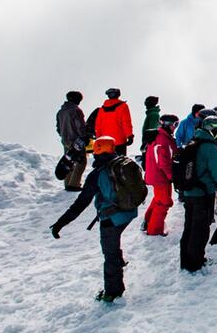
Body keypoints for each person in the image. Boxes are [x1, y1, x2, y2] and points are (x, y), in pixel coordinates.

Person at [50, 137, 139, 302]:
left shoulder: (97, 174)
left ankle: (113, 293)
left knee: (110, 254)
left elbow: (80, 204)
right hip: (129, 212)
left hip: (111, 218)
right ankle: (119, 262)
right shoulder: (124, 162)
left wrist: (60, 223)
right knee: (114, 242)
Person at [180, 115, 217, 272]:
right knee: (200, 229)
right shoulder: (210, 147)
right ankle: (195, 262)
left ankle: (185, 260)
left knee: (189, 227)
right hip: (203, 192)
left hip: (188, 191)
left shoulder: (193, 142)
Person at [143, 114, 178, 236]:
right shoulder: (163, 139)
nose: (175, 128)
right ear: (169, 125)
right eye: (175, 125)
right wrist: (171, 176)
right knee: (164, 202)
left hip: (154, 174)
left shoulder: (159, 135)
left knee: (158, 198)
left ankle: (147, 221)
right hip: (160, 176)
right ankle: (154, 231)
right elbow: (163, 162)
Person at [56, 91, 89, 191]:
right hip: (76, 141)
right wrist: (84, 137)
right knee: (81, 162)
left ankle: (67, 184)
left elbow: (58, 128)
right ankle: (74, 184)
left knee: (68, 161)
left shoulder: (61, 111)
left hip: (65, 140)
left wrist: (64, 136)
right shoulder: (76, 110)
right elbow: (80, 126)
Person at [94, 88, 134, 156]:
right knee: (120, 163)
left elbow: (98, 125)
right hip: (119, 141)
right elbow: (126, 122)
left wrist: (98, 138)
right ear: (118, 94)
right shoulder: (123, 106)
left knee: (106, 163)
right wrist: (130, 136)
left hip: (105, 142)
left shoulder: (102, 109)